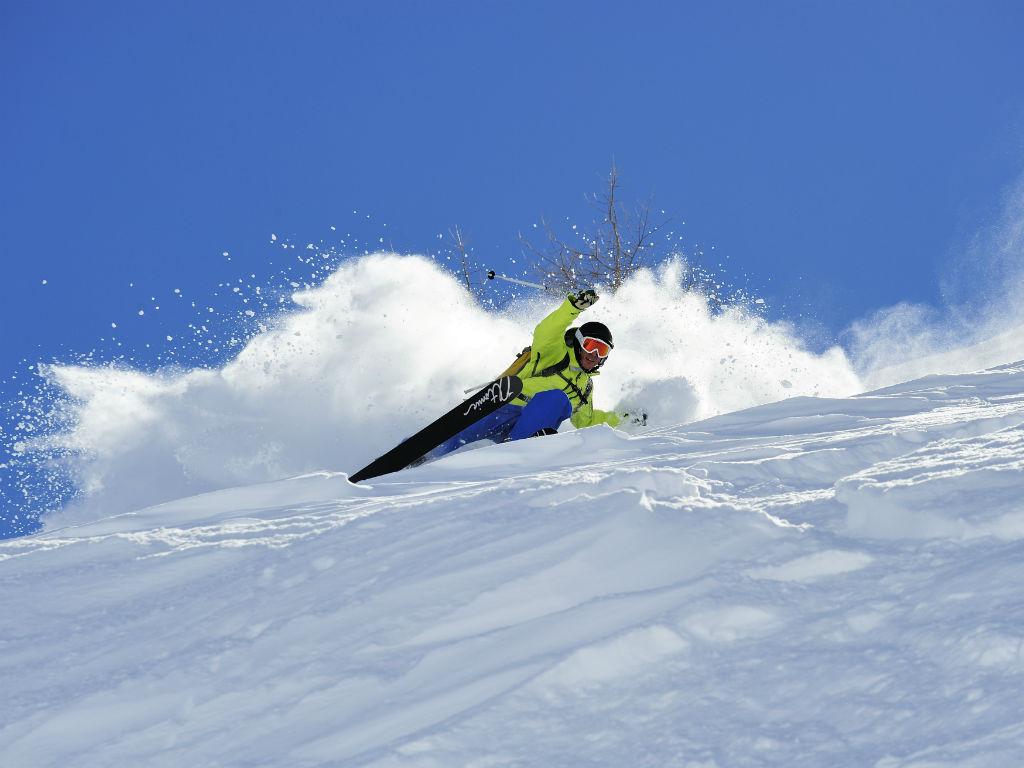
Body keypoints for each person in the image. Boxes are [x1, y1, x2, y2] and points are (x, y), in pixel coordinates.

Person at [427, 288, 628, 460]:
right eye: (591, 346)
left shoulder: (585, 388)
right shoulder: (555, 353)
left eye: (602, 351)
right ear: (579, 342)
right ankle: (421, 456)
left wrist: (625, 419)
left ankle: (521, 446)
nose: (594, 355)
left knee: (558, 399)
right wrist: (573, 308)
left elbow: (588, 421)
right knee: (456, 436)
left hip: (527, 428)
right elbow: (546, 331)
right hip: (503, 406)